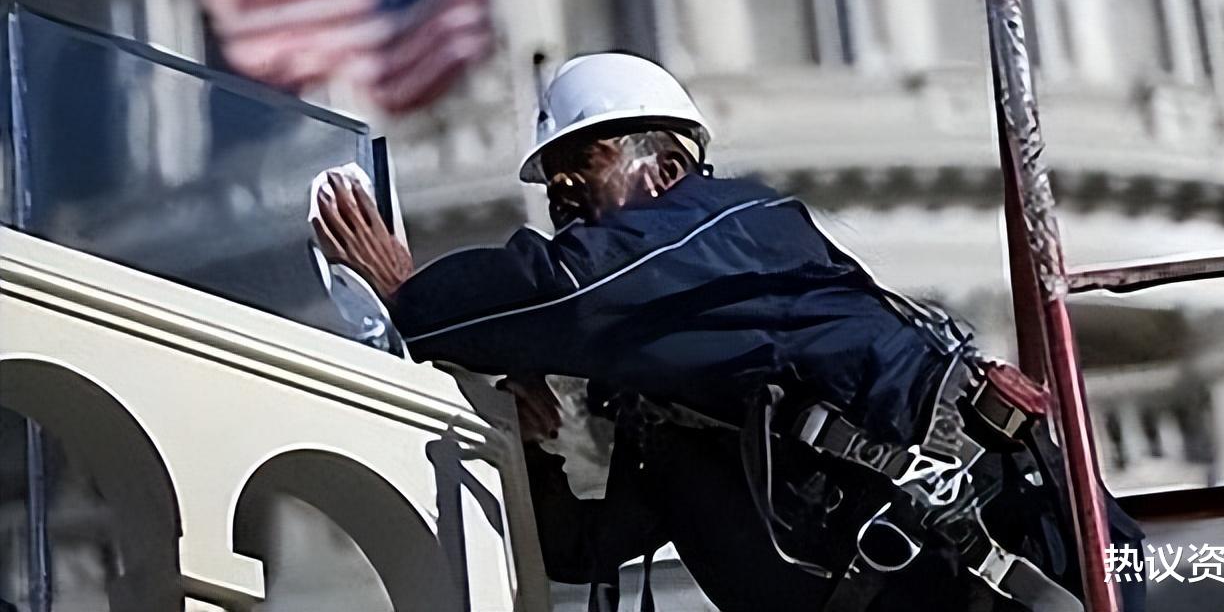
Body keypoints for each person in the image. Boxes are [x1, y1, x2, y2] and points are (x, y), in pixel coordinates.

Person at [313, 52, 1144, 612]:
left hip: (1022, 579)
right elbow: (591, 546)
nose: (562, 191)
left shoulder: (733, 231)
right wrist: (527, 434)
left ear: (667, 172)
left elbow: (569, 290)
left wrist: (414, 295)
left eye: (584, 163)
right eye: (552, 180)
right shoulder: (672, 389)